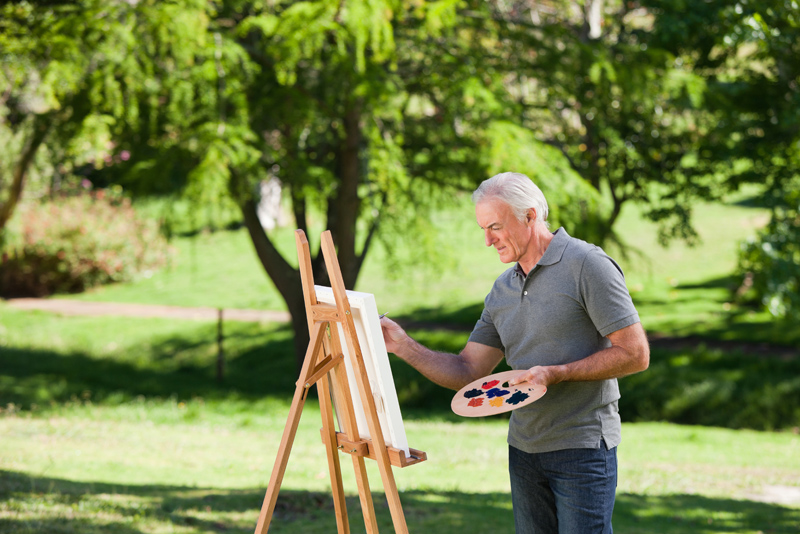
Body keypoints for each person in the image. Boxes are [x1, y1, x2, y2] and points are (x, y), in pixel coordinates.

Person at [380, 171, 649, 533]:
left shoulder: (587, 264)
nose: (488, 242)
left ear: (530, 216)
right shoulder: (502, 289)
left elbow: (635, 354)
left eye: (495, 227)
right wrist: (403, 346)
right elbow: (468, 370)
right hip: (523, 449)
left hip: (582, 448)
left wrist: (558, 373)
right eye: (483, 230)